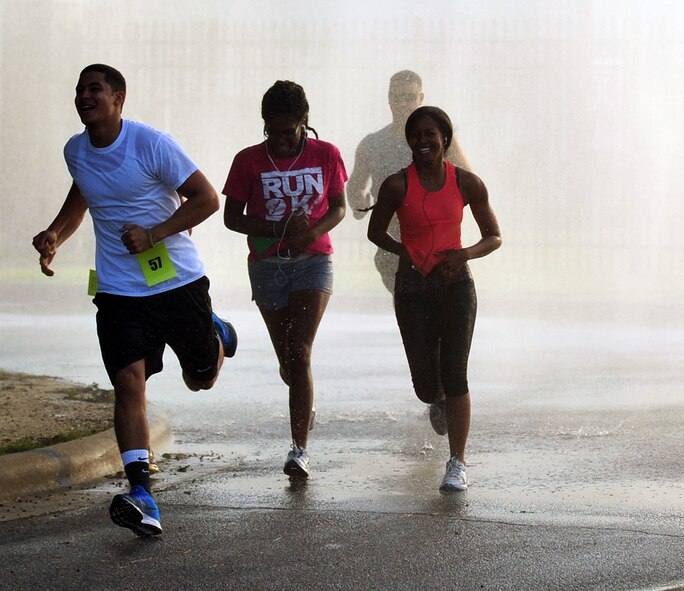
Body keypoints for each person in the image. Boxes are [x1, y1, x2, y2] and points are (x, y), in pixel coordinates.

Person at [32, 64, 237, 537]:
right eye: (79, 89)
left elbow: (206, 199)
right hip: (118, 289)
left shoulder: (151, 144)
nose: (84, 96)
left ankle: (217, 333)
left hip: (176, 281)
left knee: (201, 377)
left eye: (94, 89)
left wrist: (155, 233)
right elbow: (83, 192)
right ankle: (142, 494)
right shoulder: (75, 150)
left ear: (118, 98)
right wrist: (55, 235)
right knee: (129, 381)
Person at [367, 106, 502, 492]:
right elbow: (376, 232)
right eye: (416, 135)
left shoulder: (467, 183)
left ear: (445, 139)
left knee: (457, 373)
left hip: (456, 285)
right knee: (426, 386)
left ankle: (457, 462)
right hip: (412, 290)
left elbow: (494, 235)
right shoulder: (396, 185)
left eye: (430, 134)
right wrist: (404, 251)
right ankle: (436, 397)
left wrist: (464, 254)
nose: (422, 141)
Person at [222, 81, 346, 480]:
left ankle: (299, 451)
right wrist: (279, 227)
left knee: (301, 349)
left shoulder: (326, 155)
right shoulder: (247, 161)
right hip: (266, 264)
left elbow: (340, 208)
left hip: (313, 261)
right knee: (288, 364)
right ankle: (302, 399)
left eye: (287, 132)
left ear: (304, 122)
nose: (279, 140)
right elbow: (231, 218)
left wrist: (309, 233)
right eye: (271, 132)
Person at [347, 70, 470, 294]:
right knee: (412, 314)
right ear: (388, 99)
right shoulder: (373, 144)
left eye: (409, 98)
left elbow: (467, 180)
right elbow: (355, 186)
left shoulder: (439, 140)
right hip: (393, 246)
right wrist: (359, 202)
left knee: (437, 316)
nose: (402, 104)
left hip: (438, 244)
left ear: (420, 99)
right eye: (396, 97)